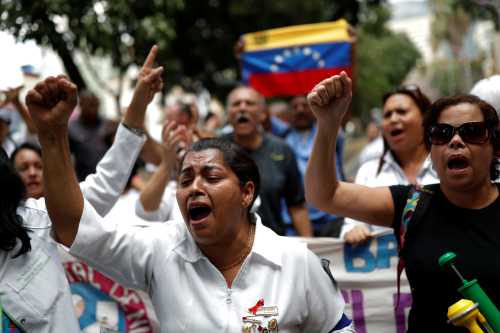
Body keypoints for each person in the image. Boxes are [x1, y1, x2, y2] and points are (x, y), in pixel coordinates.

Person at [32, 88, 355, 332]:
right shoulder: (159, 251)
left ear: (246, 193)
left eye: (211, 177)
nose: (195, 188)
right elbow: (72, 227)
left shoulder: (296, 263)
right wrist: (51, 135)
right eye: (185, 179)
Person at [305, 72, 500, 332]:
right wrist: (328, 123)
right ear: (431, 149)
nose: (455, 141)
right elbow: (324, 195)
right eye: (442, 133)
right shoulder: (411, 203)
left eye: (472, 132)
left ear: (495, 147)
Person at [0, 45, 163, 332]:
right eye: (24, 168)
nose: (34, 174)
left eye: (39, 165)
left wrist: (136, 108)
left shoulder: (35, 224)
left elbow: (105, 184)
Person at [341, 85, 438, 244]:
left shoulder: (447, 167)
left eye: (402, 112)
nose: (393, 119)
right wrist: (353, 230)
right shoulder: (368, 172)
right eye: (387, 115)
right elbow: (351, 224)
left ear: (425, 119)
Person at [221, 85, 312, 237]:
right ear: (228, 114)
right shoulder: (215, 151)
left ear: (263, 115)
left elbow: (296, 206)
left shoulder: (282, 150)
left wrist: (311, 251)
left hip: (273, 247)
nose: (242, 108)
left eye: (249, 103)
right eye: (236, 104)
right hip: (224, 248)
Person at [284, 95, 346, 237]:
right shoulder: (283, 140)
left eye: (305, 106)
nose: (300, 110)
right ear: (289, 113)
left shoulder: (331, 132)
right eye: (295, 107)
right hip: (298, 220)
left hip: (332, 216)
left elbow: (336, 116)